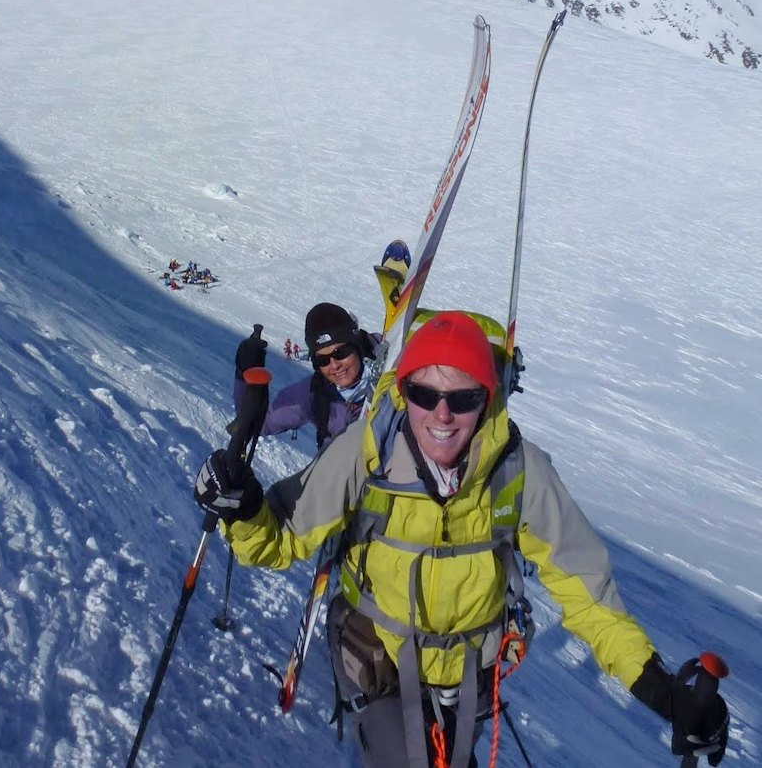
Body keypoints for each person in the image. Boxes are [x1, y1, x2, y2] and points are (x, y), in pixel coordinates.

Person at [200, 312, 729, 768]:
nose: (443, 414)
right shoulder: (368, 451)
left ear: (489, 398)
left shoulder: (518, 471)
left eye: (464, 396)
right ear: (404, 394)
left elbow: (587, 596)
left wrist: (659, 689)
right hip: (380, 659)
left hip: (469, 678)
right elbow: (276, 540)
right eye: (424, 393)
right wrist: (245, 507)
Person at [234, 304, 379, 452]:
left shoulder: (390, 360)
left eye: (340, 353)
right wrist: (245, 374)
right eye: (322, 360)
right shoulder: (316, 392)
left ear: (357, 345)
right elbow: (258, 424)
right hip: (342, 471)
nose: (334, 365)